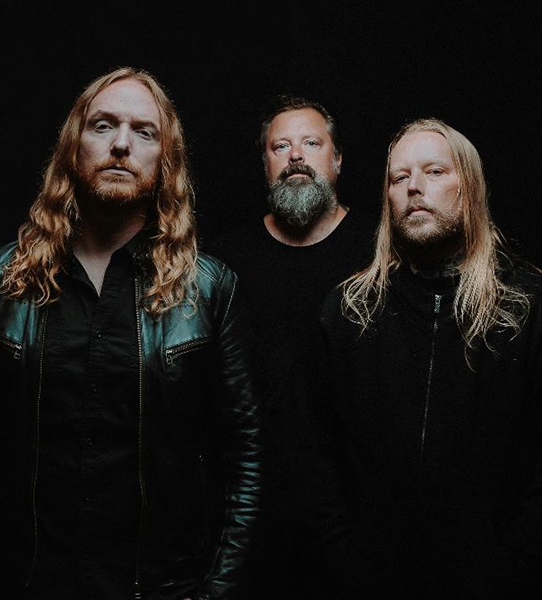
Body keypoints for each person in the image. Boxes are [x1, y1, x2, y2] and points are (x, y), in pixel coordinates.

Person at [0, 67, 261, 600]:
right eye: (103, 125)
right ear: (73, 145)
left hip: (159, 587)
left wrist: (213, 592)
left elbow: (245, 459)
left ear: (165, 160)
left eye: (144, 131)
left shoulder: (210, 290)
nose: (120, 145)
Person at [302, 119, 542, 598]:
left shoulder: (535, 308)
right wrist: (348, 558)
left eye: (434, 171)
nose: (414, 187)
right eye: (399, 177)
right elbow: (312, 450)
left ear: (469, 187)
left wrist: (511, 564)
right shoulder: (348, 311)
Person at [206, 97, 375, 597]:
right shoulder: (223, 262)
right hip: (250, 512)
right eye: (280, 146)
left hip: (356, 511)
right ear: (265, 165)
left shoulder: (379, 251)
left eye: (311, 143)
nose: (296, 155)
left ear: (337, 160)